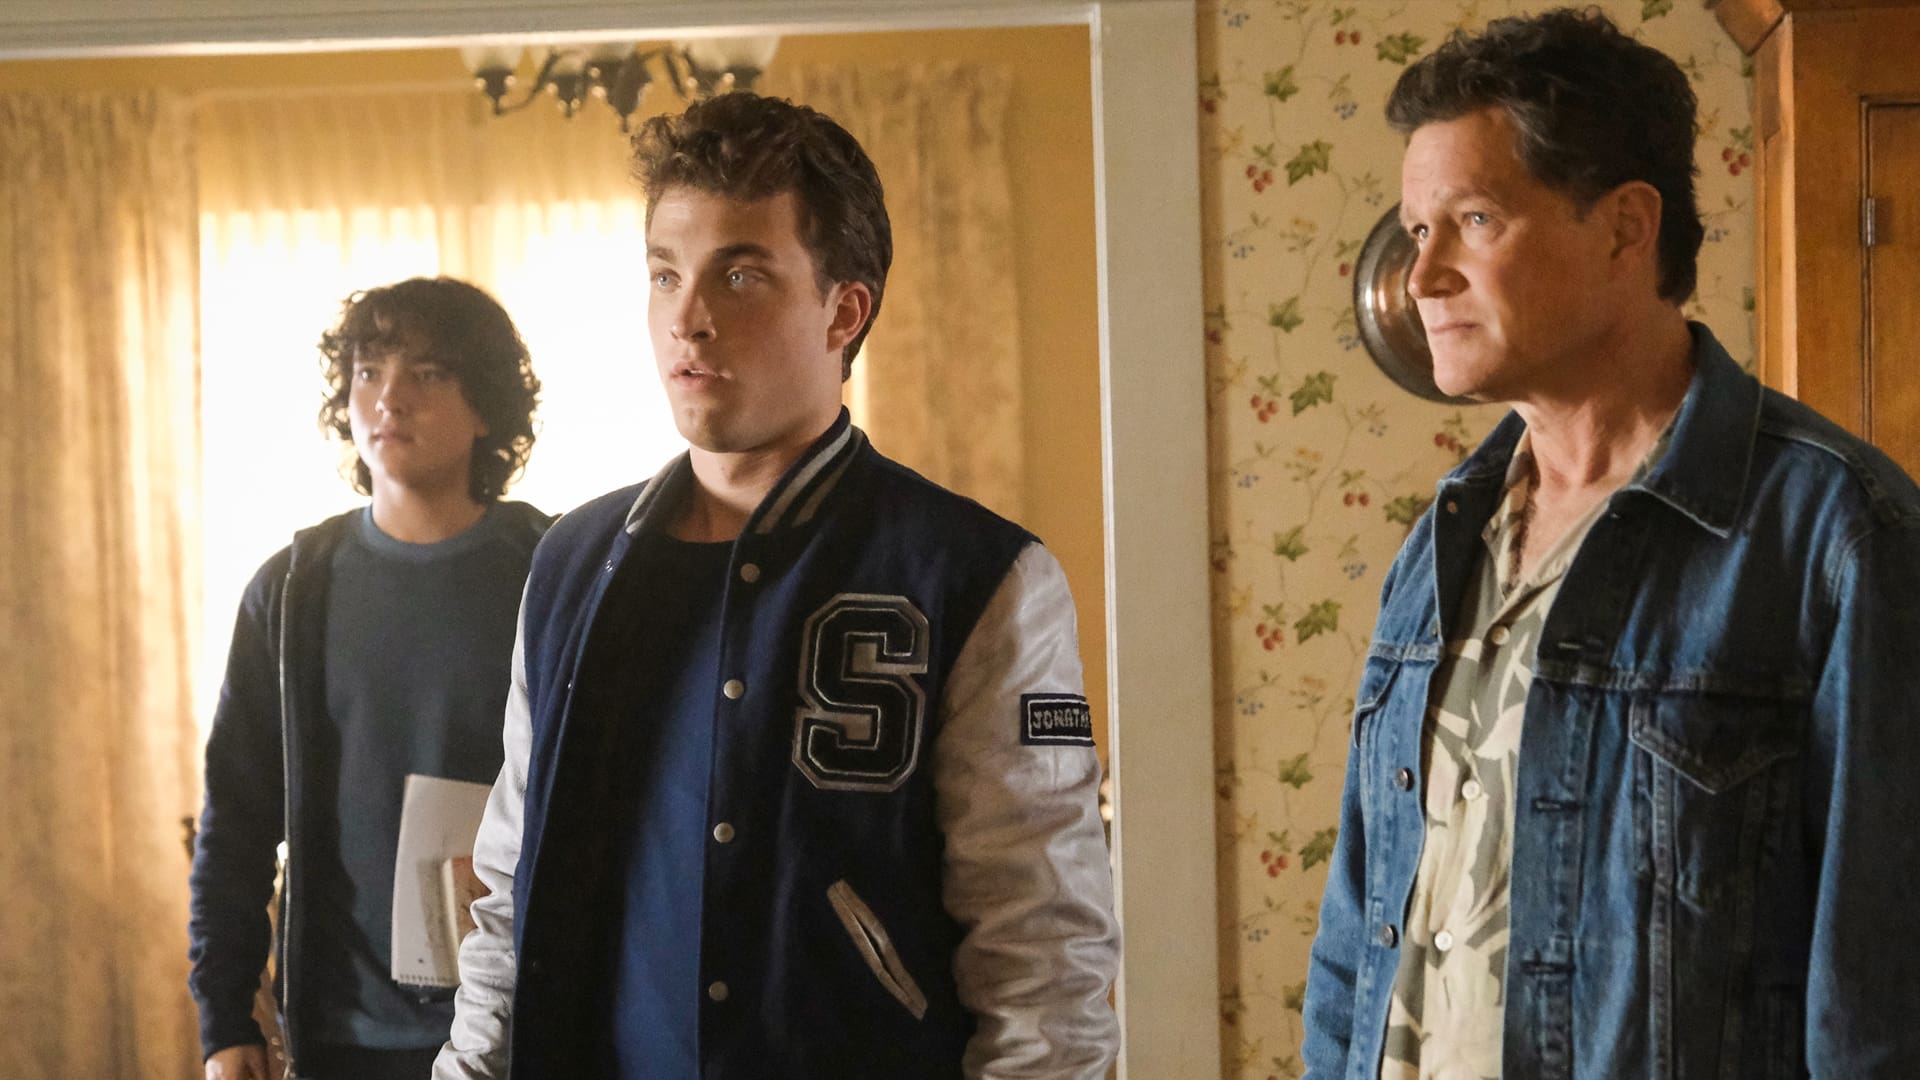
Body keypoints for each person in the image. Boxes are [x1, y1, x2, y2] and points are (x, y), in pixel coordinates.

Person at [433, 92, 1119, 1080]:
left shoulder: (975, 575)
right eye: (665, 275)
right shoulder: (572, 562)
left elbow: (1043, 962)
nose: (688, 319)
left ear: (844, 310)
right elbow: (509, 903)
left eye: (740, 274)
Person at [1301, 9, 1920, 1078]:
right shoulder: (1443, 540)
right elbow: (1357, 942)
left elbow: (1879, 1005)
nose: (1423, 275)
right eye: (1416, 231)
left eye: (1474, 220)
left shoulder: (1836, 537)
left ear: (1627, 229)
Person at [188, 277, 550, 1080]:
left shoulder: (553, 573)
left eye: (428, 373)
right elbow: (237, 820)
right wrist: (224, 1017)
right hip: (344, 1033)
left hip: (521, 1020)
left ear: (486, 406)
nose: (389, 397)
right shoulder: (291, 591)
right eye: (368, 371)